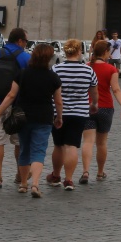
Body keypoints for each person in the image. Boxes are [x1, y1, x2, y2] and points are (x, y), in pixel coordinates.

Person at [0, 43, 62, 198]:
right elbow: (58, 101)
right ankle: (35, 184)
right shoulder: (53, 77)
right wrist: (59, 117)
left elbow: (10, 96)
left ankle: (23, 184)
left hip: (23, 117)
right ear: (49, 59)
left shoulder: (22, 74)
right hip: (44, 118)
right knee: (39, 151)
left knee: (24, 149)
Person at [0, 28, 30, 189]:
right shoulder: (25, 58)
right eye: (26, 41)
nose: (25, 45)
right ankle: (19, 174)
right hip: (18, 104)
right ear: (20, 41)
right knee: (19, 141)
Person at [46, 40, 97, 191]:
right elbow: (94, 92)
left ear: (66, 52)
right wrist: (94, 104)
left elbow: (51, 91)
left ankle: (55, 175)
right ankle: (69, 179)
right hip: (79, 113)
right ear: (79, 52)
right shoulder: (88, 71)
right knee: (72, 145)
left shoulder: (56, 69)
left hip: (58, 112)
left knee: (58, 145)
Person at [81, 39, 121, 184]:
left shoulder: (87, 67)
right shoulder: (111, 69)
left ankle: (86, 172)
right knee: (101, 143)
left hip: (88, 106)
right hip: (106, 107)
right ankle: (100, 173)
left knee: (88, 141)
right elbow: (116, 89)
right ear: (106, 52)